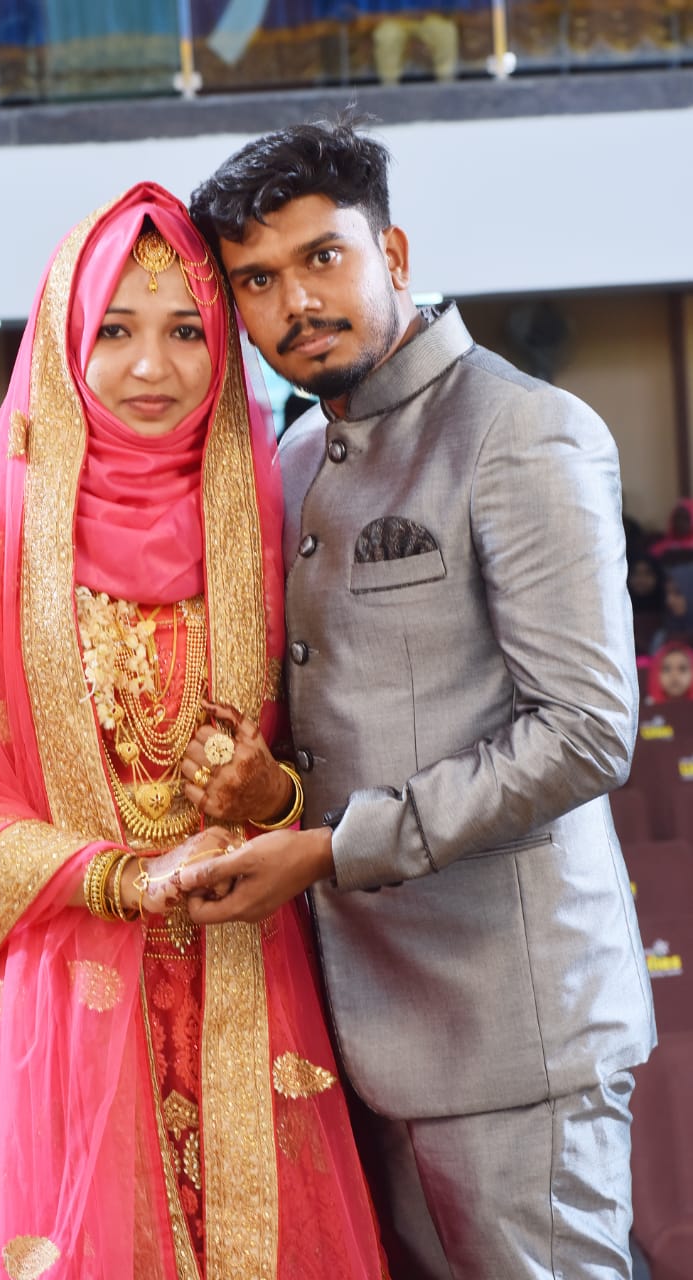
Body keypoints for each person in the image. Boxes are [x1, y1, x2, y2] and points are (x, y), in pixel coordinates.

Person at [184, 117, 657, 1278]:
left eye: (321, 257)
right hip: (357, 1029)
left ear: (391, 252)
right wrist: (271, 794)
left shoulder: (520, 428)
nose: (296, 301)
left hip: (515, 1036)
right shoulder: (297, 460)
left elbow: (584, 731)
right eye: (257, 280)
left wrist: (327, 849)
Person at [0, 183, 388, 1278]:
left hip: (251, 973)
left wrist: (271, 798)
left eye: (185, 331)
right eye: (114, 330)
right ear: (64, 339)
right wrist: (119, 876)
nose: (151, 367)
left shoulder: (273, 519)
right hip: (65, 995)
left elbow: (341, 751)